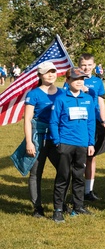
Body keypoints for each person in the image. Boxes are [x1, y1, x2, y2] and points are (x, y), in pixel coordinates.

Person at [48, 67, 99, 222]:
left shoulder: (88, 99)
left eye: (81, 79)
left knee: (79, 176)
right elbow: (53, 121)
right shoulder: (61, 99)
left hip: (82, 144)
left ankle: (78, 206)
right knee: (63, 176)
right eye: (75, 79)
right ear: (68, 81)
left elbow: (91, 122)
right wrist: (57, 142)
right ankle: (58, 209)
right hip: (65, 143)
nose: (79, 82)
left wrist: (91, 143)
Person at [23, 60, 62, 218]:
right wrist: (29, 142)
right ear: (40, 75)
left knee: (64, 170)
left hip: (56, 138)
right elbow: (27, 120)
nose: (51, 75)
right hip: (38, 138)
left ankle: (60, 203)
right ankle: (37, 207)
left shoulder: (62, 93)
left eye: (53, 71)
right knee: (35, 174)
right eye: (47, 72)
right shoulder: (33, 94)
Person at [77, 53, 105, 202]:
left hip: (93, 122)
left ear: (94, 66)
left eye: (89, 65)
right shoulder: (73, 79)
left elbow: (101, 102)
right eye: (83, 65)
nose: (86, 68)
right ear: (79, 65)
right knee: (77, 157)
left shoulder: (97, 82)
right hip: (76, 122)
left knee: (91, 156)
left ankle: (89, 190)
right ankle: (77, 189)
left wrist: (103, 120)